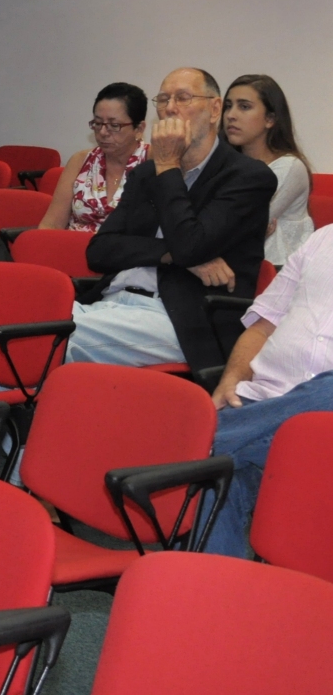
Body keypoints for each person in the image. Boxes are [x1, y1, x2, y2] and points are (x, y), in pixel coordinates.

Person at [69, 68, 277, 372]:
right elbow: (100, 250)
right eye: (163, 100)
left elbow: (191, 246)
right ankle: (20, 415)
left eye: (183, 98)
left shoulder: (247, 178)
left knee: (51, 335)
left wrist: (167, 164)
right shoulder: (144, 174)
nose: (170, 108)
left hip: (180, 318)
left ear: (214, 109)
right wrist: (168, 254)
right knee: (11, 322)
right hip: (111, 302)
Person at [202, 225, 333, 558]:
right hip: (262, 403)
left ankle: (201, 437)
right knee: (213, 478)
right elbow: (262, 325)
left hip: (324, 417)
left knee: (329, 387)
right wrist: (231, 377)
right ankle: (215, 602)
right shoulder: (323, 238)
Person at [223, 74, 313, 267]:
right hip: (232, 270)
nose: (231, 115)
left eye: (244, 106)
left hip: (278, 275)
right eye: (228, 106)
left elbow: (236, 226)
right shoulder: (222, 166)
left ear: (270, 119)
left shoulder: (289, 167)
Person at [39, 82, 150, 233]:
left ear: (139, 128)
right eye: (98, 123)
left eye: (114, 125)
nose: (103, 132)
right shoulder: (80, 160)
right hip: (73, 250)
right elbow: (51, 225)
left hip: (127, 253)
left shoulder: (154, 161)